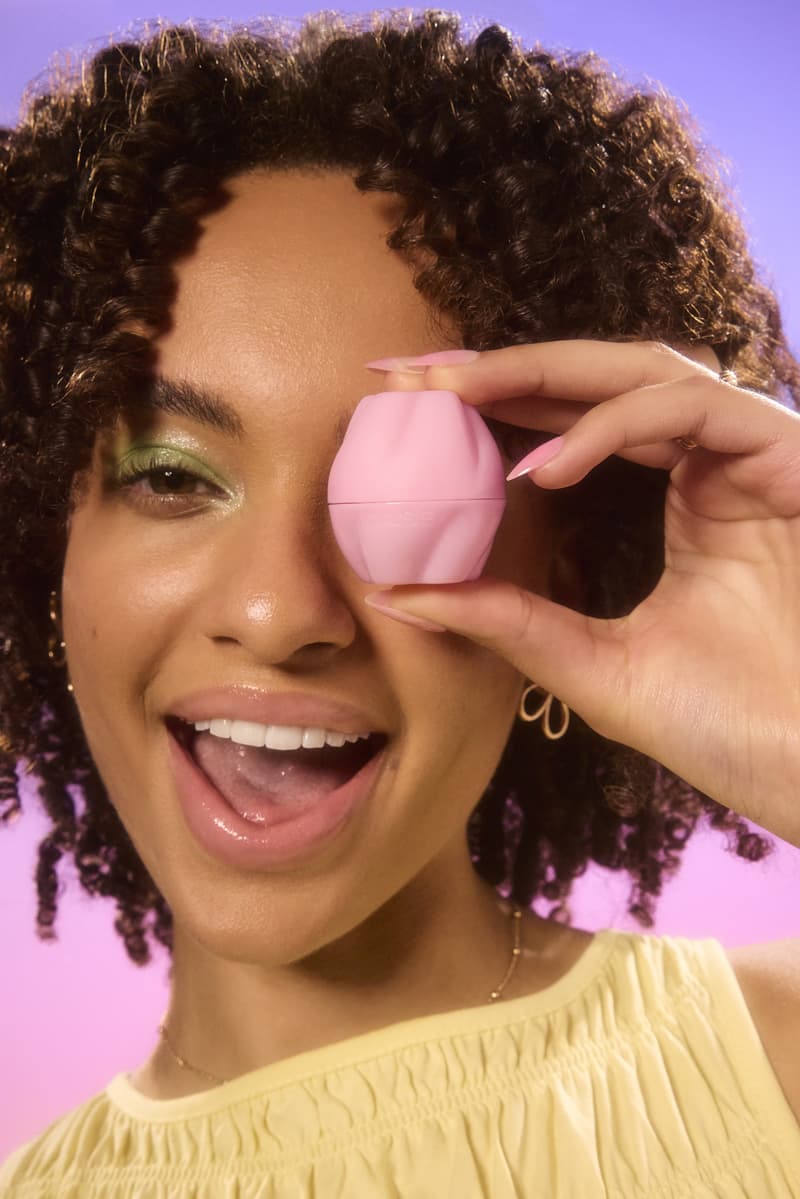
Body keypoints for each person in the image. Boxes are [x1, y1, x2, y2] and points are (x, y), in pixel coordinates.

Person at [0, 9, 798, 1196]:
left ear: (565, 573)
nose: (280, 609)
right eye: (171, 476)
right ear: (45, 550)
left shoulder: (772, 1070)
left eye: (399, 490)